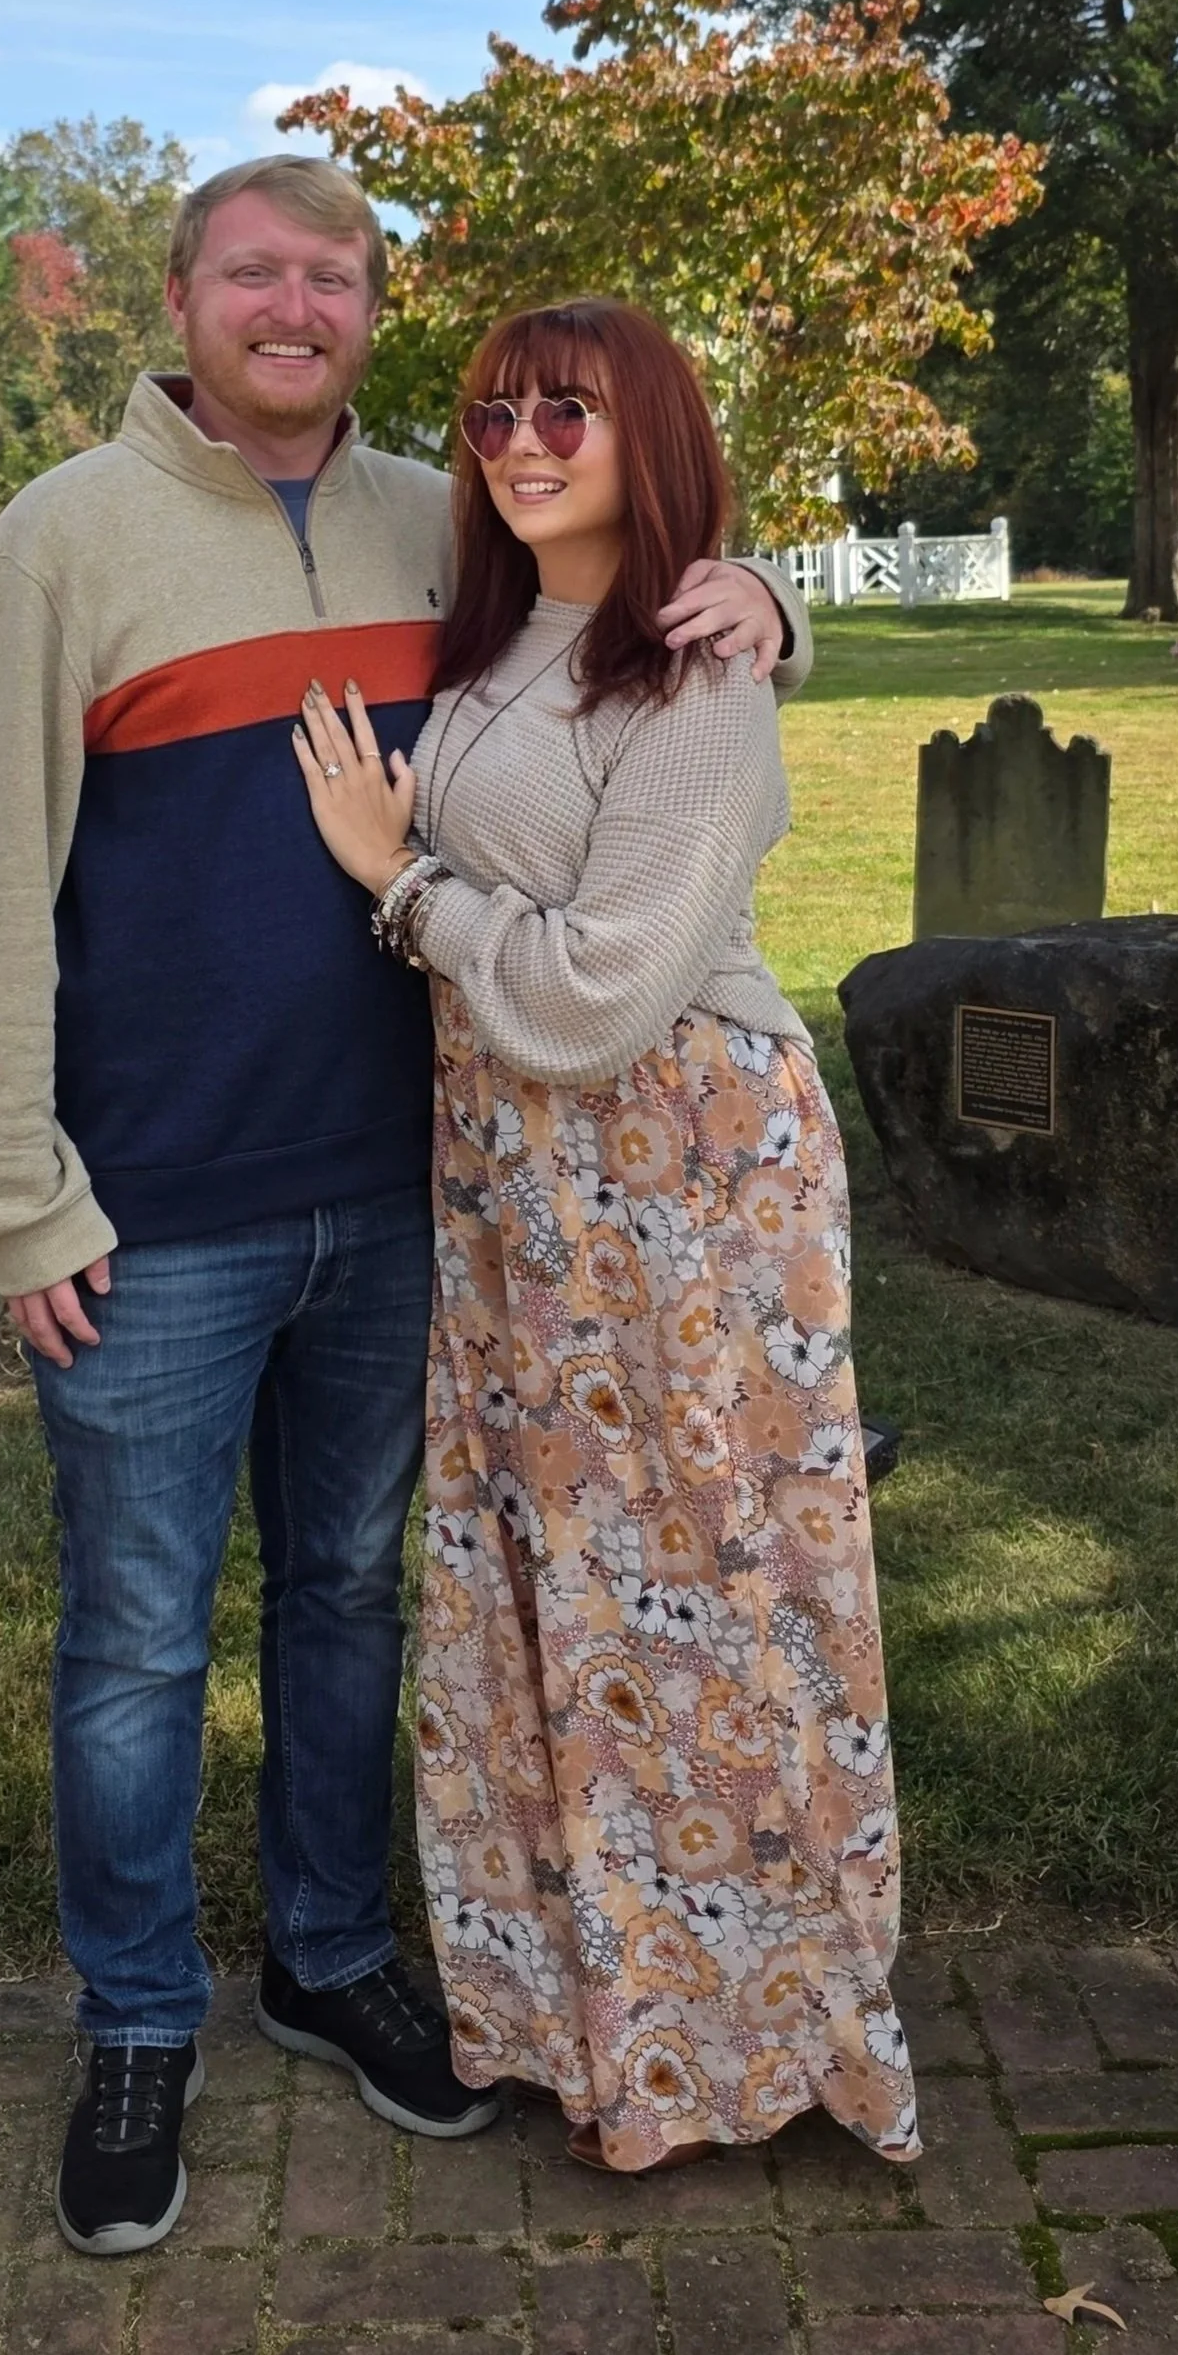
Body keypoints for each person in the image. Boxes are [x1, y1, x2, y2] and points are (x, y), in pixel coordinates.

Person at [0, 161, 811, 2258]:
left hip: (414, 1189)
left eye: (333, 274)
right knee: (137, 1639)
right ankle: (138, 2020)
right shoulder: (62, 539)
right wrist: (13, 1190)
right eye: (257, 270)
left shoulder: (447, 514)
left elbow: (643, 599)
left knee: (348, 1596)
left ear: (369, 305)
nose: (295, 304)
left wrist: (777, 591)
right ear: (183, 296)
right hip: (148, 1207)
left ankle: (325, 1955)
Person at [295, 295, 917, 2174]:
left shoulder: (697, 665)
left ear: (652, 427)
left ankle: (747, 2035)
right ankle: (581, 2014)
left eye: (567, 410)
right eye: (492, 415)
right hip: (516, 1190)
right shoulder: (503, 625)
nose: (520, 443)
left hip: (677, 1182)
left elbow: (592, 997)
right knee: (539, 1581)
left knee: (716, 1592)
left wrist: (397, 887)